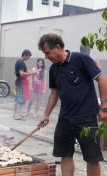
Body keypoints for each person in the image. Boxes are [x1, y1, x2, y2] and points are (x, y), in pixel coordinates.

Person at [38, 33, 107, 176]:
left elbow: (101, 79)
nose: (46, 57)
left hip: (86, 118)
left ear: (57, 47)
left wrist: (104, 107)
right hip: (65, 118)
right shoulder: (54, 69)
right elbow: (54, 94)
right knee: (65, 154)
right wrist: (46, 115)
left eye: (47, 53)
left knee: (92, 158)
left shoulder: (81, 59)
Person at [14, 49, 36, 120]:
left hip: (19, 81)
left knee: (18, 98)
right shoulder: (21, 62)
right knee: (21, 99)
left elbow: (17, 72)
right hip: (21, 82)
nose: (29, 58)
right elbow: (22, 73)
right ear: (25, 55)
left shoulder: (19, 61)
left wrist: (29, 72)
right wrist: (32, 73)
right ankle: (17, 115)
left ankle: (18, 113)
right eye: (28, 57)